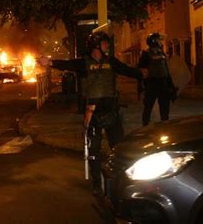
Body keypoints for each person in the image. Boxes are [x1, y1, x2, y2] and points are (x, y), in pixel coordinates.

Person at [40, 31, 143, 196]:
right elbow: (68, 65)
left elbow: (127, 70)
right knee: (93, 151)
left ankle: (121, 179)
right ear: (96, 46)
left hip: (111, 111)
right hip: (93, 113)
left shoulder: (111, 62)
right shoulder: (84, 64)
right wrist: (50, 62)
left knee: (119, 148)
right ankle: (97, 182)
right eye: (104, 43)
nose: (107, 46)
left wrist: (142, 74)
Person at [138, 33, 176, 126]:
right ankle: (145, 125)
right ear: (154, 41)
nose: (160, 42)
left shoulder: (162, 53)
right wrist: (140, 87)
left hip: (163, 84)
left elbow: (166, 70)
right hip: (151, 84)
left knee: (164, 106)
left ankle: (165, 124)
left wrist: (171, 85)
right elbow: (141, 71)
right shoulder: (146, 54)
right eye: (158, 40)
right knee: (148, 106)